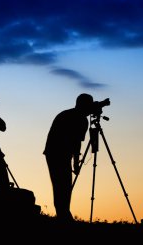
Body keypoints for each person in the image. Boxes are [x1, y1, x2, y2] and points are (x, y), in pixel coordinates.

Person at [43, 93, 94, 223]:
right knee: (64, 185)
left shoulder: (65, 114)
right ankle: (64, 216)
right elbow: (77, 143)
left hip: (52, 153)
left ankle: (63, 214)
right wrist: (76, 164)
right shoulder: (81, 119)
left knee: (60, 185)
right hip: (59, 154)